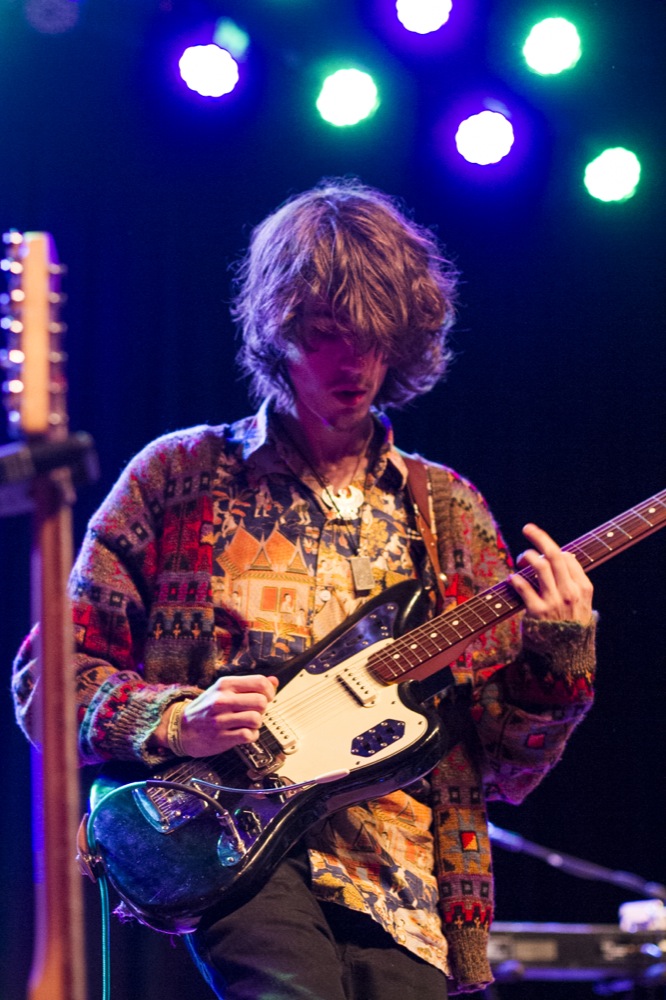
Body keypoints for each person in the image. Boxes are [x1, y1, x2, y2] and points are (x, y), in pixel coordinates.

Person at [12, 178, 596, 999]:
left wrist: (560, 653)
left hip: (409, 886)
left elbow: (507, 767)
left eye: (374, 336)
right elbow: (51, 682)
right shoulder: (180, 479)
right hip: (225, 847)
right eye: (325, 334)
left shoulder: (450, 513)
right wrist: (180, 719)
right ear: (278, 329)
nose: (352, 362)